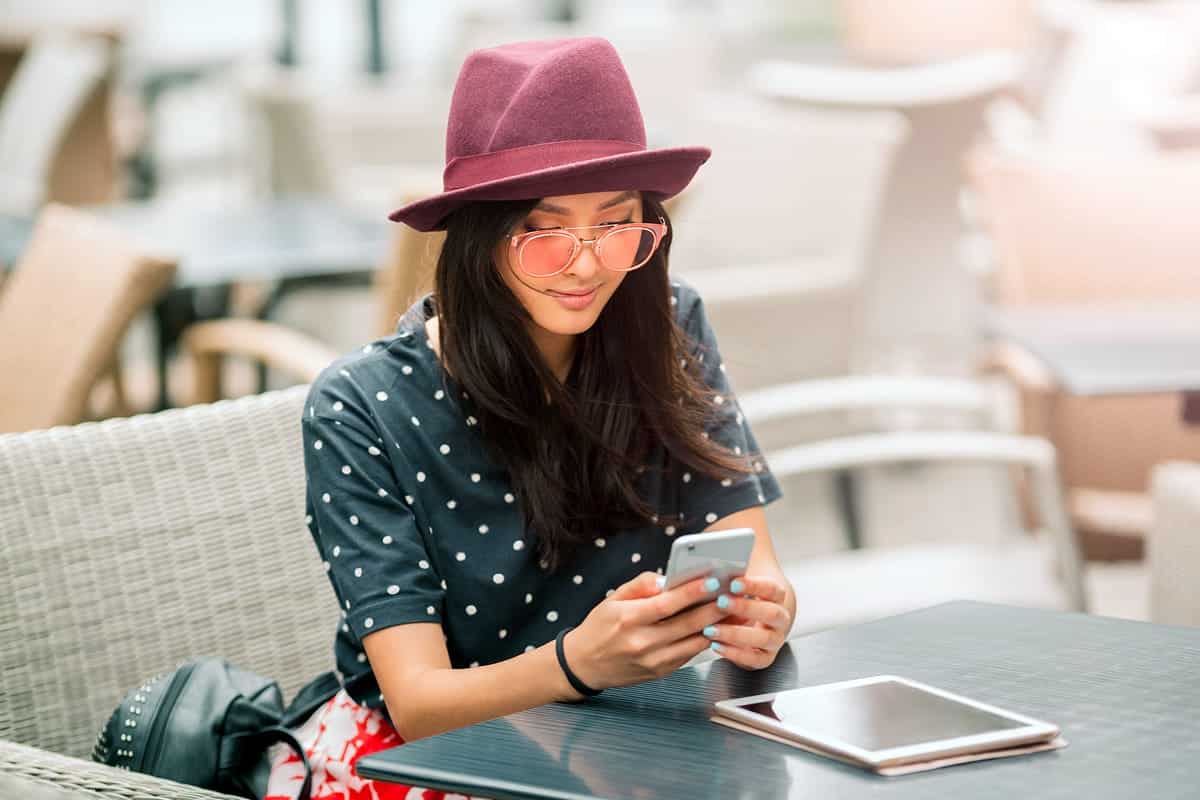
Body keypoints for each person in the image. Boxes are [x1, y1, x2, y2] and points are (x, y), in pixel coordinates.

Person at [264, 36, 794, 800]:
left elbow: (753, 558)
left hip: (635, 737)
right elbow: (418, 706)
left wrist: (765, 612)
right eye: (545, 233)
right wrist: (580, 662)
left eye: (617, 225)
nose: (585, 264)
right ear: (478, 240)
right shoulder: (362, 406)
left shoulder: (668, 328)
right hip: (433, 760)